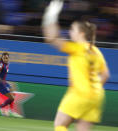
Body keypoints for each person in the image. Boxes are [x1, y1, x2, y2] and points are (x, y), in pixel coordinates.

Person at [42, 0, 110, 131]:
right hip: (97, 96)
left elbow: (51, 38)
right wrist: (92, 91)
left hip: (79, 94)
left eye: (72, 29)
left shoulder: (77, 48)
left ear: (82, 33)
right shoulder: (96, 51)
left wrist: (51, 14)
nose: (70, 32)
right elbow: (105, 75)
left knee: (60, 124)